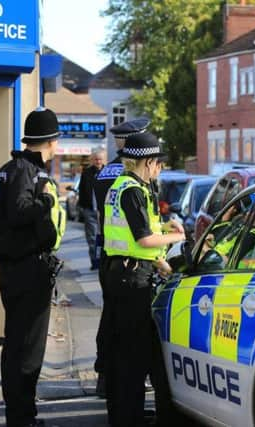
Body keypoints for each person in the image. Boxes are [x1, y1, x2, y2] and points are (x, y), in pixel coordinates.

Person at [0, 107, 66, 427]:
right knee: (27, 349)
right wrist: (46, 201)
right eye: (57, 139)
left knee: (18, 343)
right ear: (50, 141)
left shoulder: (8, 169)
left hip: (16, 267)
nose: (58, 146)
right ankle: (22, 417)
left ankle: (21, 414)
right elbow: (20, 212)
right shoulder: (26, 172)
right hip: (27, 268)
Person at [102, 131, 185, 427]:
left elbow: (134, 230)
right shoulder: (133, 190)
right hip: (131, 279)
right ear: (147, 163)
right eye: (158, 163)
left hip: (122, 273)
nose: (160, 169)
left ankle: (129, 414)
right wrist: (176, 235)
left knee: (131, 350)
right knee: (132, 355)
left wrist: (161, 255)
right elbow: (144, 238)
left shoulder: (122, 186)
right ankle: (128, 417)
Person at [92, 117, 150, 396]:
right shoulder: (131, 179)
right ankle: (125, 383)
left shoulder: (104, 173)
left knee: (110, 315)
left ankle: (105, 375)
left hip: (109, 255)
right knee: (128, 326)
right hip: (132, 259)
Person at [79, 148, 104, 270]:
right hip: (90, 210)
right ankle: (94, 262)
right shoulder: (86, 173)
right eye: (95, 159)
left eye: (100, 159)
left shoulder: (107, 172)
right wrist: (83, 208)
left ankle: (104, 261)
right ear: (92, 160)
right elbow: (82, 191)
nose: (98, 161)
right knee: (92, 238)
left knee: (104, 237)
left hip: (104, 211)